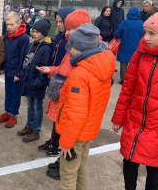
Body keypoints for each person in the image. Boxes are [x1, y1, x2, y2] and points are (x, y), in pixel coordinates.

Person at [111, 10, 158, 190]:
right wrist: (119, 117)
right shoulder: (140, 53)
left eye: (152, 33)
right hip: (135, 119)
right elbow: (128, 88)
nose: (145, 37)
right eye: (145, 32)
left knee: (155, 166)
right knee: (129, 160)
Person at [55, 23, 115, 189]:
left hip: (74, 136)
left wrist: (66, 142)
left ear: (80, 49)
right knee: (81, 169)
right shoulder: (100, 66)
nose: (69, 50)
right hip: (87, 132)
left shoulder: (80, 74)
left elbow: (76, 114)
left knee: (67, 175)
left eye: (71, 46)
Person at [37, 10, 92, 179]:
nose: (65, 32)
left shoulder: (81, 52)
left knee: (68, 135)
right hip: (62, 95)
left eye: (69, 29)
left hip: (69, 99)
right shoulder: (71, 48)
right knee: (59, 129)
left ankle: (65, 166)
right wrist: (52, 70)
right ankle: (60, 159)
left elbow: (76, 79)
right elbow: (63, 69)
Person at [18, 18, 53, 142]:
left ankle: (36, 130)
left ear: (44, 33)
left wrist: (37, 83)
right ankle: (29, 125)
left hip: (37, 85)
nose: (34, 34)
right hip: (29, 82)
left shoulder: (47, 48)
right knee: (30, 106)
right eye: (33, 31)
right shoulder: (32, 44)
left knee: (37, 107)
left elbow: (44, 68)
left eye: (37, 32)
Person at [0, 11, 29, 128]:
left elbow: (23, 57)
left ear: (19, 24)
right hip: (8, 70)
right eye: (7, 24)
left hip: (16, 72)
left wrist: (19, 73)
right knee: (8, 92)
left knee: (15, 94)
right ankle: (7, 112)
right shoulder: (6, 36)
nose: (9, 27)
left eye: (11, 24)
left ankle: (13, 115)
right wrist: (2, 67)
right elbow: (4, 53)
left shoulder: (23, 38)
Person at [114, 7, 144, 85]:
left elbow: (117, 34)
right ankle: (134, 79)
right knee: (136, 63)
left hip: (125, 46)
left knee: (123, 63)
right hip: (137, 47)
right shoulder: (142, 23)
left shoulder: (125, 22)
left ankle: (123, 80)